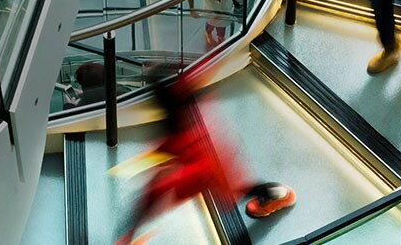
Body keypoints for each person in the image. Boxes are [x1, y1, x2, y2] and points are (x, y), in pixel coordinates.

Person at [115, 69, 296, 244]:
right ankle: (279, 193)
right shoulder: (188, 111)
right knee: (241, 188)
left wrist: (133, 228)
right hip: (217, 164)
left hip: (215, 174)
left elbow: (159, 192)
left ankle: (279, 194)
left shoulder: (176, 138)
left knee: (240, 190)